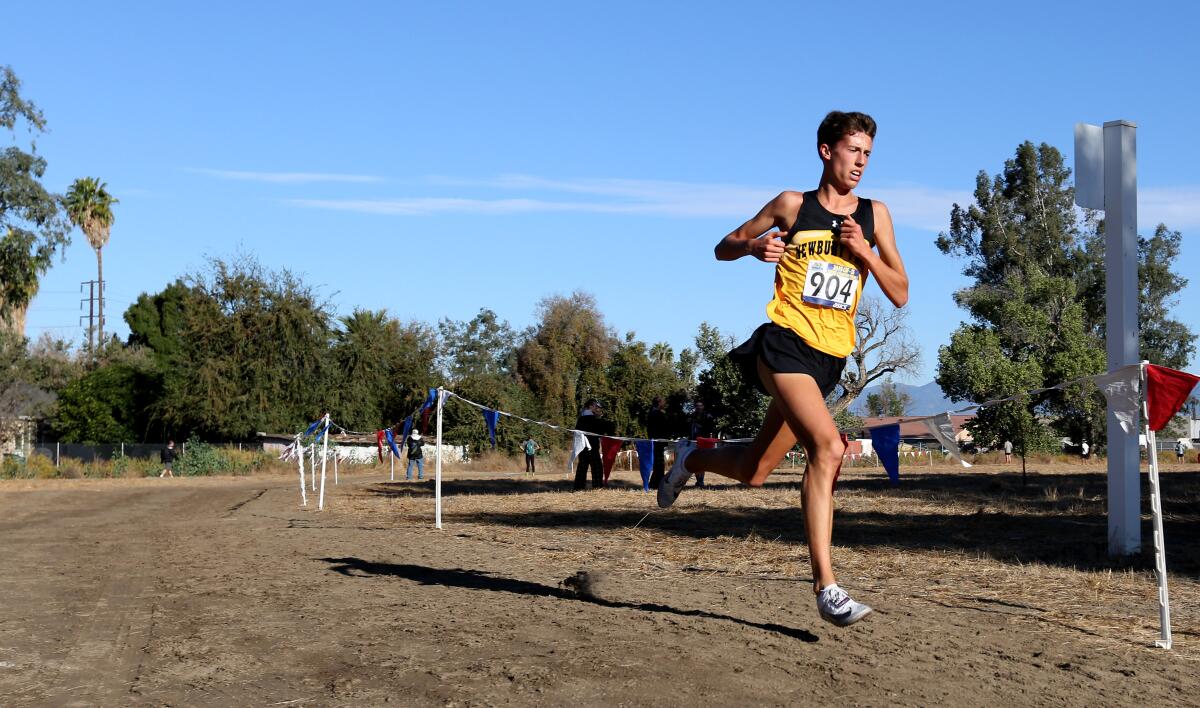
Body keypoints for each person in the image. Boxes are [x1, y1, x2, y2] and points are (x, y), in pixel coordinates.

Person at [657, 111, 908, 628]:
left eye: (867, 154)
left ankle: (692, 459)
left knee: (755, 471)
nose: (860, 161)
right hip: (783, 342)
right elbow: (722, 247)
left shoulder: (875, 215)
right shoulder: (793, 205)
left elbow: (901, 292)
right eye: (853, 150)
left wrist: (866, 252)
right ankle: (827, 586)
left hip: (829, 359)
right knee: (828, 447)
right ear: (826, 151)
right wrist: (752, 248)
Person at [573, 399, 608, 490]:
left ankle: (578, 488)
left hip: (582, 447)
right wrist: (600, 418)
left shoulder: (580, 419)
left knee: (582, 468)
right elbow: (601, 431)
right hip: (592, 447)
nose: (597, 408)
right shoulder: (593, 419)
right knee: (597, 468)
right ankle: (597, 487)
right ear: (590, 406)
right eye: (595, 406)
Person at [687, 401, 715, 487]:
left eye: (700, 406)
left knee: (702, 462)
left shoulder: (707, 416)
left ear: (703, 406)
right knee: (695, 461)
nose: (698, 407)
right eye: (697, 406)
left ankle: (701, 480)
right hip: (693, 441)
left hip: (703, 442)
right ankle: (699, 480)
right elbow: (688, 427)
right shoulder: (692, 416)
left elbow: (711, 427)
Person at [646, 396, 670, 489]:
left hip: (657, 441)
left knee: (658, 464)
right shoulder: (657, 414)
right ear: (659, 403)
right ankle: (655, 484)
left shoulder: (652, 413)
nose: (664, 404)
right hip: (658, 442)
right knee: (659, 464)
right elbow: (664, 428)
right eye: (663, 402)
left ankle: (655, 483)